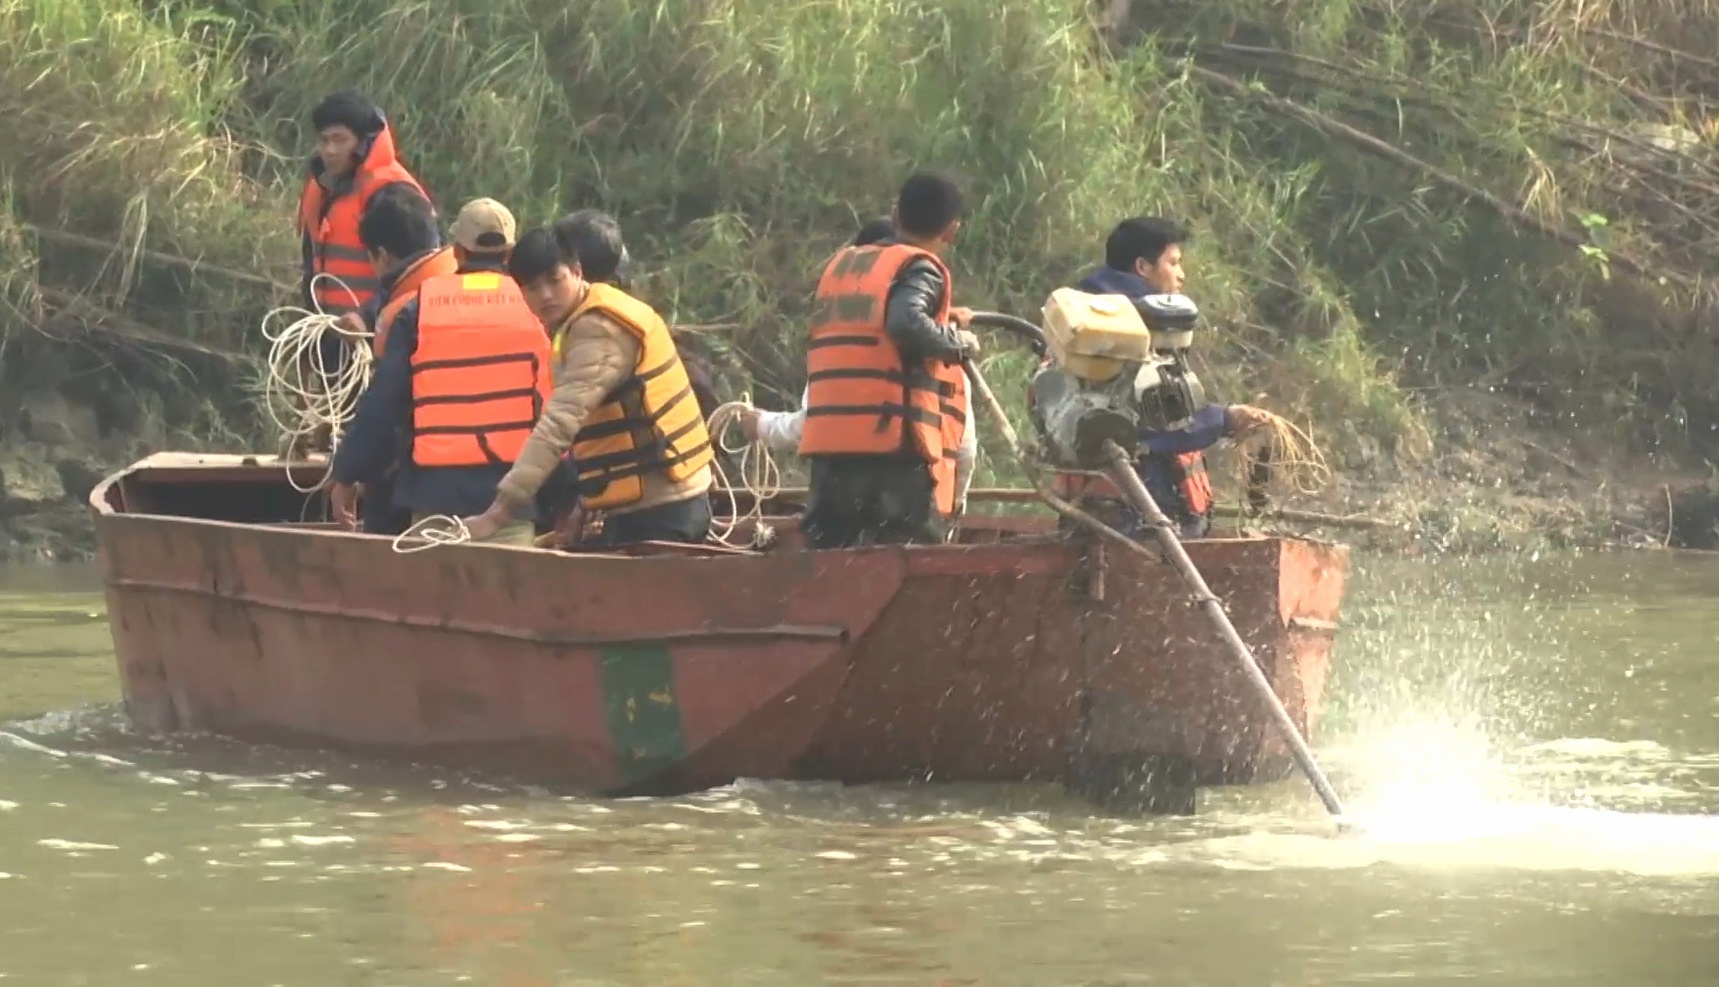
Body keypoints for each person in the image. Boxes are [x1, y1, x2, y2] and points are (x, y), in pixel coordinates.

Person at [459, 228, 716, 547]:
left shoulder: (600, 330)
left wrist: (497, 514)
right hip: (648, 503)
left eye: (555, 280)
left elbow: (560, 424)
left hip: (663, 508)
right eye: (533, 288)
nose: (546, 295)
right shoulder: (581, 317)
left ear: (577, 271)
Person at [328, 196, 550, 545]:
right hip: (512, 499)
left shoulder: (419, 310)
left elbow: (384, 405)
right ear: (510, 254)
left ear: (457, 252)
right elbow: (555, 406)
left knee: (436, 581)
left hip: (436, 498)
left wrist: (348, 474)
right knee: (508, 581)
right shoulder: (537, 309)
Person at [737, 215, 980, 518]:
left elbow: (815, 424)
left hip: (855, 496)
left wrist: (761, 425)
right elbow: (965, 450)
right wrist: (955, 511)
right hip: (923, 505)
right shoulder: (948, 355)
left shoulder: (850, 348)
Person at [796, 174, 979, 549]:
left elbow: (873, 326)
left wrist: (942, 320)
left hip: (831, 451)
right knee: (910, 561)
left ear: (895, 214)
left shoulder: (844, 266)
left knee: (830, 559)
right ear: (951, 231)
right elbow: (904, 321)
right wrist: (957, 343)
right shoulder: (919, 266)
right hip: (888, 456)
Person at [1059, 216, 1271, 538]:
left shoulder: (1083, 318)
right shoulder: (1125, 332)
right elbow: (1151, 425)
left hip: (1099, 506)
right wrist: (1225, 420)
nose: (1181, 274)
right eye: (1173, 263)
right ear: (1143, 267)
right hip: (1137, 516)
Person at [292, 91, 430, 455]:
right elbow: (311, 266)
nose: (330, 150)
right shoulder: (320, 188)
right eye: (324, 140)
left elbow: (423, 271)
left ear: (364, 142)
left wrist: (367, 317)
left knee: (373, 445)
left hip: (381, 342)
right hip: (332, 340)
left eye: (340, 140)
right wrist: (310, 332)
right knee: (331, 447)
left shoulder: (395, 194)